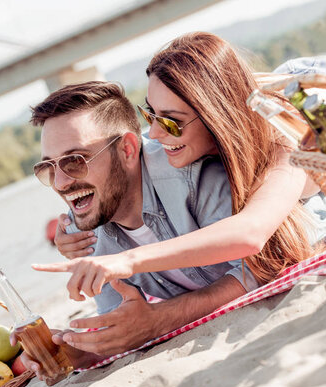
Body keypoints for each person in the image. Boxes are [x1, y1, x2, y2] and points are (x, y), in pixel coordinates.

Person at [42, 32, 326, 298]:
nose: (156, 133)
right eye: (151, 115)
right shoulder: (183, 145)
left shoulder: (282, 137)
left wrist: (129, 260)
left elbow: (251, 232)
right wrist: (76, 227)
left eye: (170, 122)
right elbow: (119, 164)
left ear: (216, 116)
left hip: (325, 96)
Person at [21, 80, 260, 372]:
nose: (60, 183)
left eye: (75, 160)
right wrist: (80, 351)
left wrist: (160, 319)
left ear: (128, 149)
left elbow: (260, 269)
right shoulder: (84, 230)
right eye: (48, 167)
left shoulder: (190, 175)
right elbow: (123, 320)